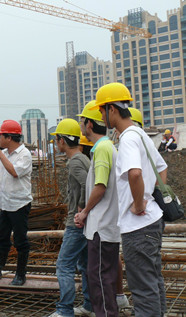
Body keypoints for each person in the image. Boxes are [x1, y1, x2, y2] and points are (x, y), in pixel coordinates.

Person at [93, 82, 168, 316]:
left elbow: (135, 173)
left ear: (111, 109)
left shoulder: (127, 139)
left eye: (102, 111)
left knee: (143, 289)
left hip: (139, 225)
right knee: (154, 282)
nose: (102, 117)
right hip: (153, 221)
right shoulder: (140, 134)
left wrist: (138, 203)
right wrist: (149, 195)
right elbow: (161, 167)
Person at [74, 100, 120, 317]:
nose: (81, 125)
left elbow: (100, 186)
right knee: (105, 278)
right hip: (107, 226)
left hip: (101, 227)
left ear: (89, 124)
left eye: (82, 121)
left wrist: (84, 212)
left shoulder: (102, 148)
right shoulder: (108, 146)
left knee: (99, 280)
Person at [48, 118, 92, 317]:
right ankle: (90, 306)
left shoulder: (75, 162)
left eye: (57, 140)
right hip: (85, 222)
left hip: (76, 223)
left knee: (64, 265)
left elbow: (87, 186)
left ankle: (65, 311)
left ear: (62, 141)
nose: (56, 144)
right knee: (84, 264)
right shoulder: (83, 157)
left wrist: (81, 210)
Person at [0, 120, 32, 286]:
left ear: (9, 137)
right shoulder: (5, 154)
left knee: (20, 240)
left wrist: (0, 154)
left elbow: (14, 172)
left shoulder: (24, 154)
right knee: (2, 237)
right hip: (5, 204)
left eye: (1, 136)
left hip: (19, 204)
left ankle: (20, 273)